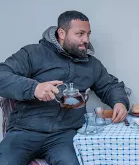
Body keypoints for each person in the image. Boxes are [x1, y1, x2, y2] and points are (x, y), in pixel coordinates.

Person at [0, 10, 129, 165]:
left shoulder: (91, 64)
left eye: (88, 34)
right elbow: (2, 75)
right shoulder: (32, 53)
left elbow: (110, 86)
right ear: (62, 33)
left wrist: (120, 102)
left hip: (64, 136)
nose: (86, 39)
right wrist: (34, 88)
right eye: (80, 34)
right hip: (24, 131)